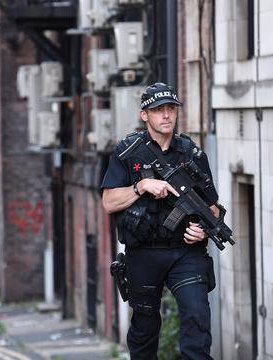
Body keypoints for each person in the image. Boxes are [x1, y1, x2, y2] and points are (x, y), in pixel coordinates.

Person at [101, 82, 219, 359]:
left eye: (170, 109)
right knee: (144, 329)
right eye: (158, 110)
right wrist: (140, 187)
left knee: (197, 316)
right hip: (143, 253)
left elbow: (213, 208)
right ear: (145, 115)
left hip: (186, 253)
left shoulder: (191, 153)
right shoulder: (127, 152)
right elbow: (108, 202)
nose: (166, 115)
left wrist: (202, 229)